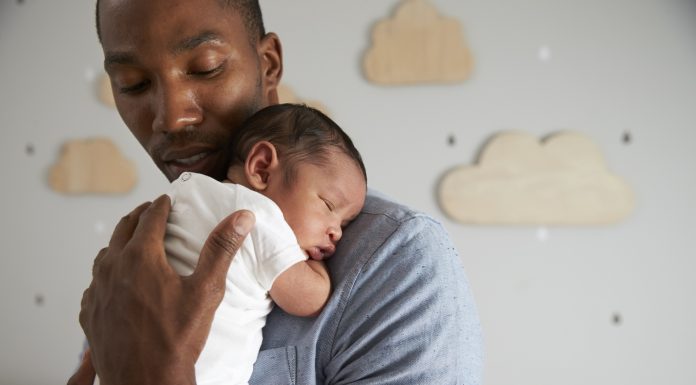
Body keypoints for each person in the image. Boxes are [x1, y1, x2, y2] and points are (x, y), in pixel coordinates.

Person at [70, 0, 483, 384]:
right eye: (134, 83)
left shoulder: (394, 260)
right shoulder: (136, 256)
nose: (173, 117)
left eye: (206, 67)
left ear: (267, 64)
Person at [165, 103, 366, 385]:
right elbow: (310, 299)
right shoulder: (259, 216)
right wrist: (314, 263)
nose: (336, 232)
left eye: (344, 224)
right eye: (328, 205)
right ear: (261, 169)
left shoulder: (186, 192)